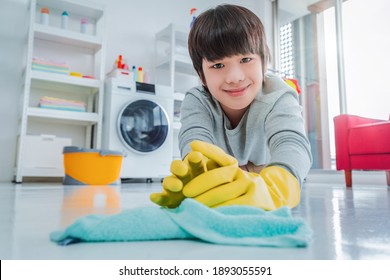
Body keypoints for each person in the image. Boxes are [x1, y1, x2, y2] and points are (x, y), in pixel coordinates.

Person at [150, 4, 312, 210]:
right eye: (217, 65)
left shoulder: (278, 95)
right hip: (226, 173)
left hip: (268, 174)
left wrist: (279, 186)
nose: (235, 77)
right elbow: (195, 139)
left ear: (263, 63)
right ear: (201, 75)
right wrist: (201, 173)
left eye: (246, 59)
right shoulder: (197, 100)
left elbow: (292, 142)